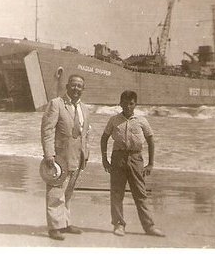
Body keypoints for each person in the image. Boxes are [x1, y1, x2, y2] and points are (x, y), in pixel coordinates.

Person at [100, 90, 165, 237]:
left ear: (135, 104)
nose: (128, 106)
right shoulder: (114, 120)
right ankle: (118, 225)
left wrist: (150, 163)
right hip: (118, 158)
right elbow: (104, 138)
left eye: (131, 103)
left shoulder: (142, 120)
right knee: (117, 193)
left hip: (136, 159)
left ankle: (149, 227)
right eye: (125, 103)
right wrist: (104, 159)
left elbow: (151, 141)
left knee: (140, 194)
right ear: (120, 103)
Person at [41, 74, 90, 241]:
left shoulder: (84, 108)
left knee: (68, 192)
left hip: (78, 156)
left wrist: (86, 153)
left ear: (83, 89)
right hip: (60, 157)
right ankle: (55, 227)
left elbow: (85, 133)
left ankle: (65, 223)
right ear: (67, 86)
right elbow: (47, 131)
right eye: (74, 85)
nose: (76, 89)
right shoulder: (56, 104)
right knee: (56, 191)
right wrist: (49, 154)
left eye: (80, 86)